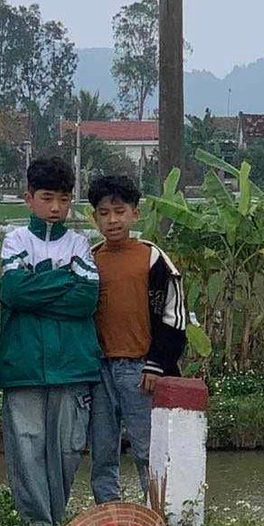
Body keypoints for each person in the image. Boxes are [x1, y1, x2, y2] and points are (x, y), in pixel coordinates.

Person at [0, 156, 101, 526]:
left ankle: (57, 525)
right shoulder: (15, 240)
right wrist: (64, 280)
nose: (56, 207)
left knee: (67, 450)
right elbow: (12, 291)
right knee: (26, 447)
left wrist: (37, 285)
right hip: (23, 365)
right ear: (28, 198)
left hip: (72, 365)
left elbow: (86, 299)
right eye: (47, 198)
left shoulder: (79, 242)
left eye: (63, 199)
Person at [85, 174, 186, 504]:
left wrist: (157, 364)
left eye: (119, 211)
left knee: (146, 449)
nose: (112, 220)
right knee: (102, 452)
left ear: (134, 214)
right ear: (95, 217)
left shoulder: (153, 258)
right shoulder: (89, 259)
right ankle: (109, 519)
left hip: (141, 369)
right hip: (99, 370)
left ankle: (158, 515)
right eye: (103, 213)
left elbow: (174, 314)